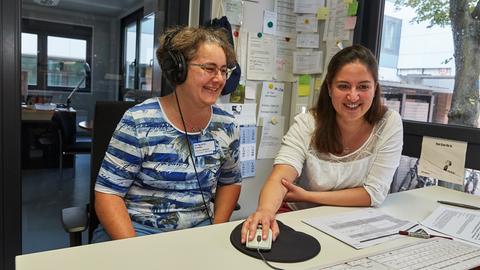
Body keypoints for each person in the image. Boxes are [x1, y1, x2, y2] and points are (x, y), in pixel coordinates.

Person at [241, 45, 403, 244]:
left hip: (353, 222)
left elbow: (373, 194)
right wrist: (265, 211)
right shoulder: (308, 123)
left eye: (363, 86)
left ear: (375, 88)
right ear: (329, 88)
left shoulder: (389, 123)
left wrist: (308, 195)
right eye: (343, 86)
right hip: (299, 218)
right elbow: (280, 177)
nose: (353, 96)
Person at [93, 26, 242, 242]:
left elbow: (231, 181)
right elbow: (108, 194)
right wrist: (133, 251)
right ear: (178, 70)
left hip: (198, 231)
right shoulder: (139, 120)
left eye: (223, 70)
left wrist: (215, 231)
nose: (219, 79)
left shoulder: (227, 125)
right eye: (209, 69)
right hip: (137, 230)